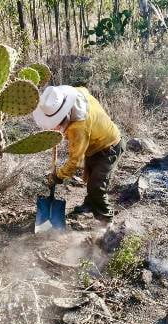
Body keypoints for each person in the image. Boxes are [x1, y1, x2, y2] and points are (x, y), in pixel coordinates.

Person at [32, 85, 125, 227]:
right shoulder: (76, 94)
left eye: (56, 123)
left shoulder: (78, 128)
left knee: (97, 186)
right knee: (91, 180)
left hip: (109, 147)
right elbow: (84, 89)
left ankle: (106, 222)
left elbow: (75, 162)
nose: (54, 128)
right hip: (94, 144)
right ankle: (89, 204)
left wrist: (58, 176)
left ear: (65, 116)